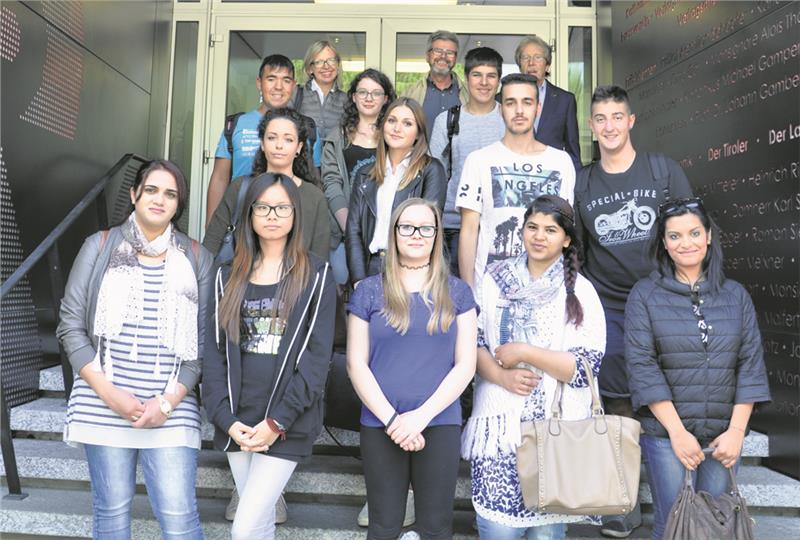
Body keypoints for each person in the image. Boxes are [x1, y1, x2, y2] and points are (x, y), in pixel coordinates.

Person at [57, 160, 213, 539]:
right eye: (152, 190)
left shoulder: (196, 257)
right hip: (102, 403)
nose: (160, 199)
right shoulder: (99, 246)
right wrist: (112, 396)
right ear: (134, 194)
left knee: (179, 517)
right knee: (111, 513)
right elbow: (70, 326)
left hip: (171, 407)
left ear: (179, 204)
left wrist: (167, 404)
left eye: (170, 194)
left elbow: (201, 344)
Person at [573, 85, 693, 538]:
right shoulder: (583, 182)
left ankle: (678, 505)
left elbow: (690, 230)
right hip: (607, 306)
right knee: (617, 401)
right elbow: (577, 249)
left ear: (631, 121)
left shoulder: (663, 170)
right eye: (601, 118)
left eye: (617, 117)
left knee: (668, 397)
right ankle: (622, 503)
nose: (609, 126)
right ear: (591, 126)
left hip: (663, 300)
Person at [625, 197, 770, 540]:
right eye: (674, 236)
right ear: (664, 243)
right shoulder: (645, 295)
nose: (685, 243)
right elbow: (643, 366)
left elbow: (750, 364)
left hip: (722, 435)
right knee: (673, 525)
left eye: (693, 233)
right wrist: (677, 432)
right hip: (666, 436)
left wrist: (736, 432)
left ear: (708, 237)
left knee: (717, 526)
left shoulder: (735, 295)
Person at [462, 195, 606, 539]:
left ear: (566, 239)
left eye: (550, 230)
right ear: (522, 230)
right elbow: (472, 342)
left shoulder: (580, 291)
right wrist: (501, 376)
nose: (539, 236)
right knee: (498, 531)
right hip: (500, 432)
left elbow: (586, 367)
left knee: (546, 533)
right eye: (532, 227)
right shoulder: (493, 280)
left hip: (555, 436)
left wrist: (526, 351)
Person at [202, 172, 336, 540]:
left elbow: (316, 360)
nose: (272, 215)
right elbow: (214, 355)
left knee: (244, 528)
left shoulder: (317, 275)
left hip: (286, 424)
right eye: (262, 207)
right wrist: (226, 420)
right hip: (238, 423)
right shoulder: (226, 276)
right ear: (249, 214)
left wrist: (277, 423)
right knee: (258, 527)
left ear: (295, 214)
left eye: (282, 207)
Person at [347, 198, 478, 540]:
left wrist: (420, 417)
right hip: (380, 423)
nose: (416, 234)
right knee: (383, 526)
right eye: (407, 227)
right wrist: (393, 421)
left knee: (436, 528)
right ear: (393, 233)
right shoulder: (369, 292)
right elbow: (356, 364)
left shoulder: (458, 292)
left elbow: (466, 365)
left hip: (439, 423)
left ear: (437, 235)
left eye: (425, 228)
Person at [457, 73, 576, 289]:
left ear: (538, 108)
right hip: (490, 290)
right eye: (511, 103)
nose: (519, 110)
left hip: (547, 290)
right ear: (500, 109)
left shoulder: (561, 162)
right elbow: (469, 231)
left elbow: (565, 228)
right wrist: (468, 293)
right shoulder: (478, 160)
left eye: (527, 102)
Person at [205, 54, 321, 221]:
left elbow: (314, 183)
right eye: (271, 79)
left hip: (290, 223)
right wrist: (211, 226)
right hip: (240, 222)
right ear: (259, 83)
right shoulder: (236, 124)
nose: (278, 87)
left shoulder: (307, 128)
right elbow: (220, 178)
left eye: (286, 80)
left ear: (293, 85)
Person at [204, 107, 330, 261]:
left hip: (299, 276)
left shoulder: (314, 197)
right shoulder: (240, 188)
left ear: (299, 147)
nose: (279, 145)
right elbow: (209, 248)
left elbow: (320, 262)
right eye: (271, 138)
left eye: (288, 139)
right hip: (240, 274)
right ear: (262, 144)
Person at [346, 97, 447, 284]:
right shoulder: (365, 174)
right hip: (371, 267)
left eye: (407, 123)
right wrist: (358, 280)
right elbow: (353, 230)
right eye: (392, 121)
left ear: (418, 133)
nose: (397, 128)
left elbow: (426, 229)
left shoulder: (431, 170)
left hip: (410, 269)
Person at [429, 47, 505, 277]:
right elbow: (434, 176)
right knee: (455, 294)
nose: (484, 82)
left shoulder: (510, 118)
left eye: (491, 76)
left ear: (499, 81)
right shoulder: (447, 120)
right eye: (477, 75)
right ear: (466, 78)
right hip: (454, 225)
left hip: (499, 226)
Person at [322, 68, 396, 284]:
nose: (369, 98)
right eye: (363, 92)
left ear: (386, 98)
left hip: (388, 232)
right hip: (344, 230)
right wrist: (350, 229)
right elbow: (331, 183)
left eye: (376, 93)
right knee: (345, 289)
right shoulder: (337, 137)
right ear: (353, 97)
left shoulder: (396, 135)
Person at [514, 35, 581, 172]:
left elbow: (572, 150)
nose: (531, 63)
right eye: (525, 58)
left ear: (547, 65)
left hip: (552, 175)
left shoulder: (565, 100)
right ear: (519, 65)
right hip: (514, 174)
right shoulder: (503, 99)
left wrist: (578, 181)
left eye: (538, 57)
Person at [401, 30, 469, 138]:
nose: (443, 56)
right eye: (438, 51)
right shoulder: (409, 93)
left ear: (455, 58)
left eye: (450, 52)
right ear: (428, 56)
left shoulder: (469, 94)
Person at [298, 40, 347, 139]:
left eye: (331, 60)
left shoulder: (346, 100)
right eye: (319, 62)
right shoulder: (297, 94)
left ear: (338, 65)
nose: (326, 66)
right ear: (310, 69)